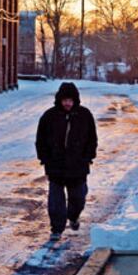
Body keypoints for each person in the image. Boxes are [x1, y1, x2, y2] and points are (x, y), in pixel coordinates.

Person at [35, 82, 98, 240]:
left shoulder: (84, 115)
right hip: (55, 166)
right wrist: (45, 159)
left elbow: (92, 138)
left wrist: (88, 157)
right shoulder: (49, 116)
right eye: (64, 100)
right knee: (56, 201)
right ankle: (56, 229)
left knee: (78, 198)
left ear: (75, 100)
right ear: (59, 100)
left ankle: (73, 216)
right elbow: (40, 139)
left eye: (70, 100)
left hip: (78, 166)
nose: (67, 103)